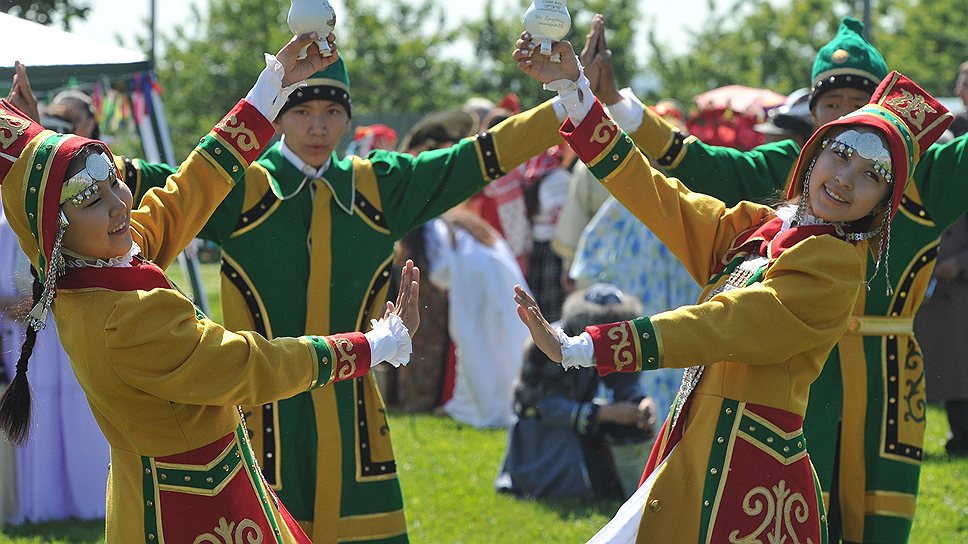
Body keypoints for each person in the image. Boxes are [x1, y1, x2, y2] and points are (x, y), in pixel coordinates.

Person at [512, 32, 951, 543]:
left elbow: (725, 323)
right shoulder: (761, 227)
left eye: (872, 174)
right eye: (842, 152)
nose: (847, 179)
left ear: (883, 204)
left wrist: (586, 345)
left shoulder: (836, 267)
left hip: (749, 487)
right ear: (814, 151)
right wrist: (574, 92)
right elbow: (663, 198)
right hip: (694, 451)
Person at [116, 56, 567, 542]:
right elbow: (151, 178)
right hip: (261, 420)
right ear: (279, 116)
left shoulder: (378, 188)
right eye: (301, 111)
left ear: (348, 118)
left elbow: (473, 159)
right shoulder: (245, 190)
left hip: (355, 429)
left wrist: (566, 104)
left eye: (331, 113)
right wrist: (43, 146)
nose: (317, 126)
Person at [0, 33, 420, 542]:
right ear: (57, 225)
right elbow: (248, 366)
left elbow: (183, 195)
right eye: (90, 197)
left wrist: (271, 89)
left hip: (164, 495)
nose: (119, 204)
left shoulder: (83, 268)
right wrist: (377, 345)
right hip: (195, 513)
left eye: (113, 178)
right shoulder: (125, 316)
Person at [497, 283, 655, 500]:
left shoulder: (607, 343)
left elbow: (622, 381)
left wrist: (641, 401)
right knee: (582, 486)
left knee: (631, 425)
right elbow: (542, 407)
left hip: (578, 423)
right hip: (543, 433)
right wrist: (605, 413)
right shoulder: (545, 345)